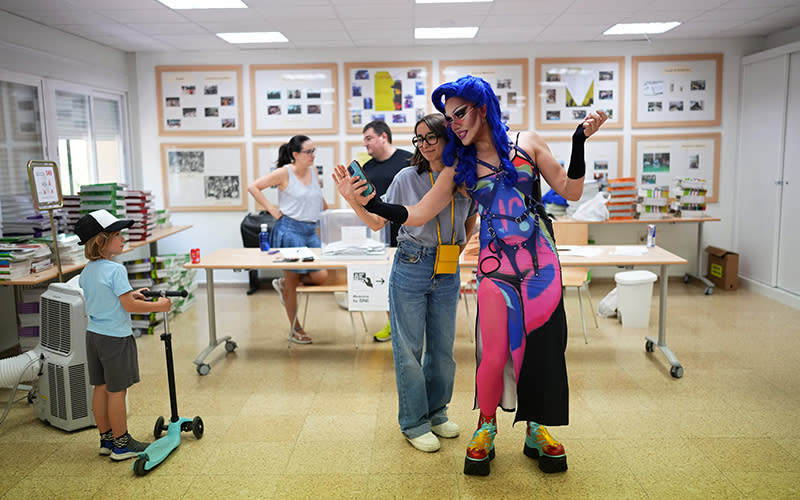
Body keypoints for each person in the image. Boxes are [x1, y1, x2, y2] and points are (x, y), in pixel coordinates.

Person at [344, 75, 607, 476]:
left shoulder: (528, 143)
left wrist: (578, 142)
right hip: (494, 268)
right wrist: (374, 203)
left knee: (541, 350)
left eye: (460, 114)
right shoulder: (459, 167)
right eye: (449, 119)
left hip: (542, 265)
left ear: (482, 107)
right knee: (493, 350)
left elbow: (570, 191)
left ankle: (537, 429)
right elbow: (418, 214)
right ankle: (486, 426)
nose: (455, 125)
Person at [333, 114, 477, 452]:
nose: (424, 146)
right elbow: (374, 221)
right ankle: (413, 423)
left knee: (442, 351)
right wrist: (351, 197)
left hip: (447, 265)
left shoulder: (465, 178)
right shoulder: (406, 177)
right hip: (412, 263)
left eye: (431, 138)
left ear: (449, 138)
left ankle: (436, 413)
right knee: (409, 351)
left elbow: (470, 219)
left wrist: (458, 247)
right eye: (418, 139)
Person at [74, 209, 172, 461]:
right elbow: (129, 306)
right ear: (100, 241)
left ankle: (106, 439)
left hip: (94, 335)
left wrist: (131, 293)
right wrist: (158, 306)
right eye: (117, 235)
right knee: (117, 391)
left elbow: (110, 298)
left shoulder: (88, 270)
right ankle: (122, 444)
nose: (122, 239)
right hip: (115, 338)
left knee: (101, 387)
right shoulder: (115, 270)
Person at [247, 135, 329, 344]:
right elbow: (253, 187)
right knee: (293, 281)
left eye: (314, 151)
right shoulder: (284, 173)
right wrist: (272, 209)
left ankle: (283, 284)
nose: (313, 155)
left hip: (310, 231)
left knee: (321, 275)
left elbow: (316, 196)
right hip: (290, 231)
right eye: (308, 152)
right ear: (295, 155)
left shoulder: (313, 170)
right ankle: (295, 328)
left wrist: (327, 212)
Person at [360, 120, 413, 342]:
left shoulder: (408, 160)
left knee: (410, 283)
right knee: (389, 281)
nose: (366, 144)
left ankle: (412, 326)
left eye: (369, 138)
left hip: (411, 229)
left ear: (383, 136)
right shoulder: (368, 168)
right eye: (364, 140)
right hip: (381, 233)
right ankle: (393, 324)